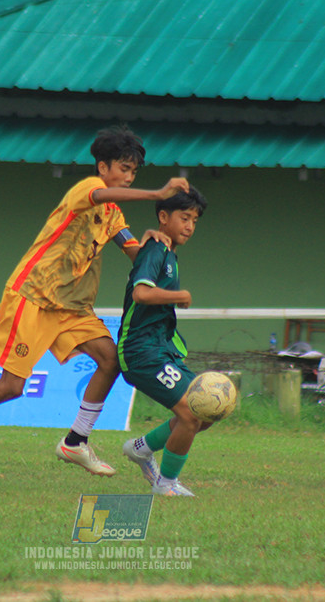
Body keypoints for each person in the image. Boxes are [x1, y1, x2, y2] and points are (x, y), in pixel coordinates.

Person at [0, 125, 188, 482]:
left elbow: (135, 254)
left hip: (72, 308)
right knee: (11, 386)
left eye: (133, 171)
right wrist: (158, 194)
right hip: (34, 297)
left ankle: (76, 441)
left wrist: (155, 244)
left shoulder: (113, 215)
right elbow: (102, 194)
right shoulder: (87, 189)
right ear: (103, 167)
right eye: (123, 168)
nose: (129, 177)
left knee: (110, 359)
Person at [118, 187, 209, 497]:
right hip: (140, 351)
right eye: (185, 218)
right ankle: (166, 483)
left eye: (194, 220)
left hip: (161, 348)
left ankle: (141, 449)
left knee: (205, 411)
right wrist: (178, 296)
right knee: (191, 413)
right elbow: (141, 293)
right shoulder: (156, 249)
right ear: (163, 217)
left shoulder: (168, 252)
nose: (190, 226)